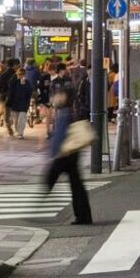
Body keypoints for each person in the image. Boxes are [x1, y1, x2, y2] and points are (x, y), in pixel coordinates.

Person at [46, 89, 93, 225]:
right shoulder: (68, 112)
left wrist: (55, 154)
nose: (55, 98)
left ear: (64, 98)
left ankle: (35, 210)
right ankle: (83, 216)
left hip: (65, 155)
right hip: (71, 154)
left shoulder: (64, 114)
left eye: (58, 95)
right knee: (77, 186)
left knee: (50, 182)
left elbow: (60, 136)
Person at [7, 65, 33, 139]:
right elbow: (10, 85)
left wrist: (23, 85)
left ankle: (20, 133)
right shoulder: (14, 82)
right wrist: (15, 76)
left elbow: (29, 92)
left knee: (22, 118)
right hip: (15, 103)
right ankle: (17, 131)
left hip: (24, 103)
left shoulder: (27, 82)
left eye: (22, 74)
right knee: (16, 119)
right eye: (19, 74)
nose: (21, 76)